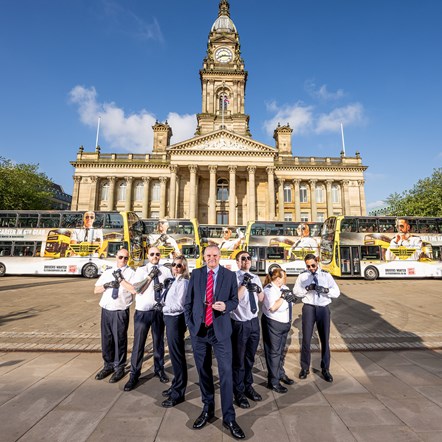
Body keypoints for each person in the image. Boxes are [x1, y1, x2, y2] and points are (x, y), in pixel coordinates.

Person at [184, 245, 245, 439]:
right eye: (208, 255)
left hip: (221, 331)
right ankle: (208, 409)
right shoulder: (196, 274)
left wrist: (226, 306)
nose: (212, 258)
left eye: (215, 255)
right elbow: (188, 302)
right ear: (204, 257)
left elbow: (235, 300)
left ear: (220, 256)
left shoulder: (228, 276)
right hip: (200, 331)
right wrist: (191, 325)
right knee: (203, 371)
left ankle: (229, 418)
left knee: (226, 373)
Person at [124, 246, 173, 391]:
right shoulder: (141, 270)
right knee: (139, 344)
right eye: (152, 254)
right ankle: (134, 373)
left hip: (158, 311)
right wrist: (150, 277)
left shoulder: (165, 270)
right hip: (143, 312)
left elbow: (170, 289)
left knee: (158, 342)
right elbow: (137, 289)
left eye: (158, 254)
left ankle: (159, 369)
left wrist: (162, 289)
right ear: (148, 255)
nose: (155, 256)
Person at [293, 253, 340, 383]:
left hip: (323, 308)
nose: (311, 268)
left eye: (313, 265)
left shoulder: (326, 275)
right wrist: (308, 288)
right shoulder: (303, 276)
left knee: (325, 339)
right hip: (309, 307)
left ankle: (325, 369)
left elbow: (336, 292)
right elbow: (296, 292)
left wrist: (325, 290)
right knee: (306, 339)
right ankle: (304, 368)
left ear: (317, 262)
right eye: (308, 266)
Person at [94, 249, 136, 383]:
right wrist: (107, 285)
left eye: (126, 258)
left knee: (119, 339)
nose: (123, 260)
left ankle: (119, 367)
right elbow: (96, 290)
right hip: (106, 309)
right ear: (116, 257)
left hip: (120, 310)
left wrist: (121, 280)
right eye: (121, 257)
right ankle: (108, 365)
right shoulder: (108, 272)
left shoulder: (131, 273)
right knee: (107, 339)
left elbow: (134, 290)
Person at [231, 251, 264, 409]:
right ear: (237, 262)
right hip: (239, 323)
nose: (246, 261)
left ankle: (248, 386)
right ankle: (238, 391)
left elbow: (261, 299)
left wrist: (258, 290)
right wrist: (244, 283)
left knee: (250, 358)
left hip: (253, 322)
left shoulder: (256, 277)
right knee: (239, 360)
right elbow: (234, 299)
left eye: (248, 258)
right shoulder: (233, 277)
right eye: (242, 258)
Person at [161, 255, 190, 408]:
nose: (176, 267)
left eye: (179, 265)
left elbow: (180, 305)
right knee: (173, 355)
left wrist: (162, 308)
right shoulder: (173, 282)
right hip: (169, 318)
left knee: (177, 357)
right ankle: (175, 384)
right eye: (174, 265)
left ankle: (178, 393)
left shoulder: (184, 283)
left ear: (184, 267)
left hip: (176, 320)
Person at [261, 267, 295, 394]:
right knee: (273, 353)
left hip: (285, 323)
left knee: (280, 351)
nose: (285, 279)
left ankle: (280, 374)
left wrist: (285, 299)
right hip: (273, 324)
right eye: (283, 276)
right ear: (277, 278)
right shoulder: (269, 290)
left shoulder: (285, 288)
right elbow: (273, 307)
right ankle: (273, 382)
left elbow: (291, 303)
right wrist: (282, 298)